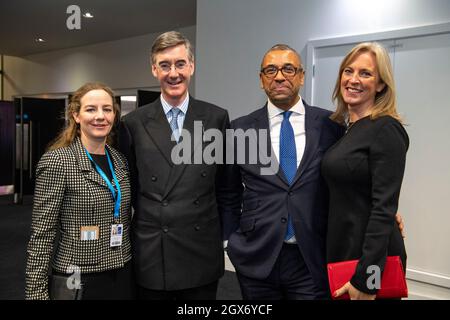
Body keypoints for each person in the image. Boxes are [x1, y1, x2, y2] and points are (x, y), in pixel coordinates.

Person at [221, 44, 344, 299]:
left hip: (311, 258)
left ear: (301, 75)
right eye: (270, 70)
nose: (279, 76)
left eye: (288, 69)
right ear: (261, 79)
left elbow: (345, 183)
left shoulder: (331, 125)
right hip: (256, 258)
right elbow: (228, 191)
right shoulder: (239, 129)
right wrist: (229, 240)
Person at [119, 31, 230, 300]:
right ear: (154, 69)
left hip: (200, 248)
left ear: (192, 66)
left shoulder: (216, 118)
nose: (173, 73)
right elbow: (129, 187)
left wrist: (226, 239)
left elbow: (226, 187)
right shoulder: (133, 122)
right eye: (165, 65)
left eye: (180, 64)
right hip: (154, 250)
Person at [25, 82, 134, 300]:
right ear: (76, 115)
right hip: (78, 276)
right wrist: (35, 293)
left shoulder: (120, 160)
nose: (100, 116)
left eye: (107, 109)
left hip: (122, 271)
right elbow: (42, 234)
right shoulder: (58, 161)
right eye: (91, 109)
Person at [321, 42, 408, 300]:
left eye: (366, 73)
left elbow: (383, 209)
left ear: (381, 84)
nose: (353, 80)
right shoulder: (348, 129)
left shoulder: (386, 129)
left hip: (367, 262)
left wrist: (368, 280)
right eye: (348, 71)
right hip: (344, 251)